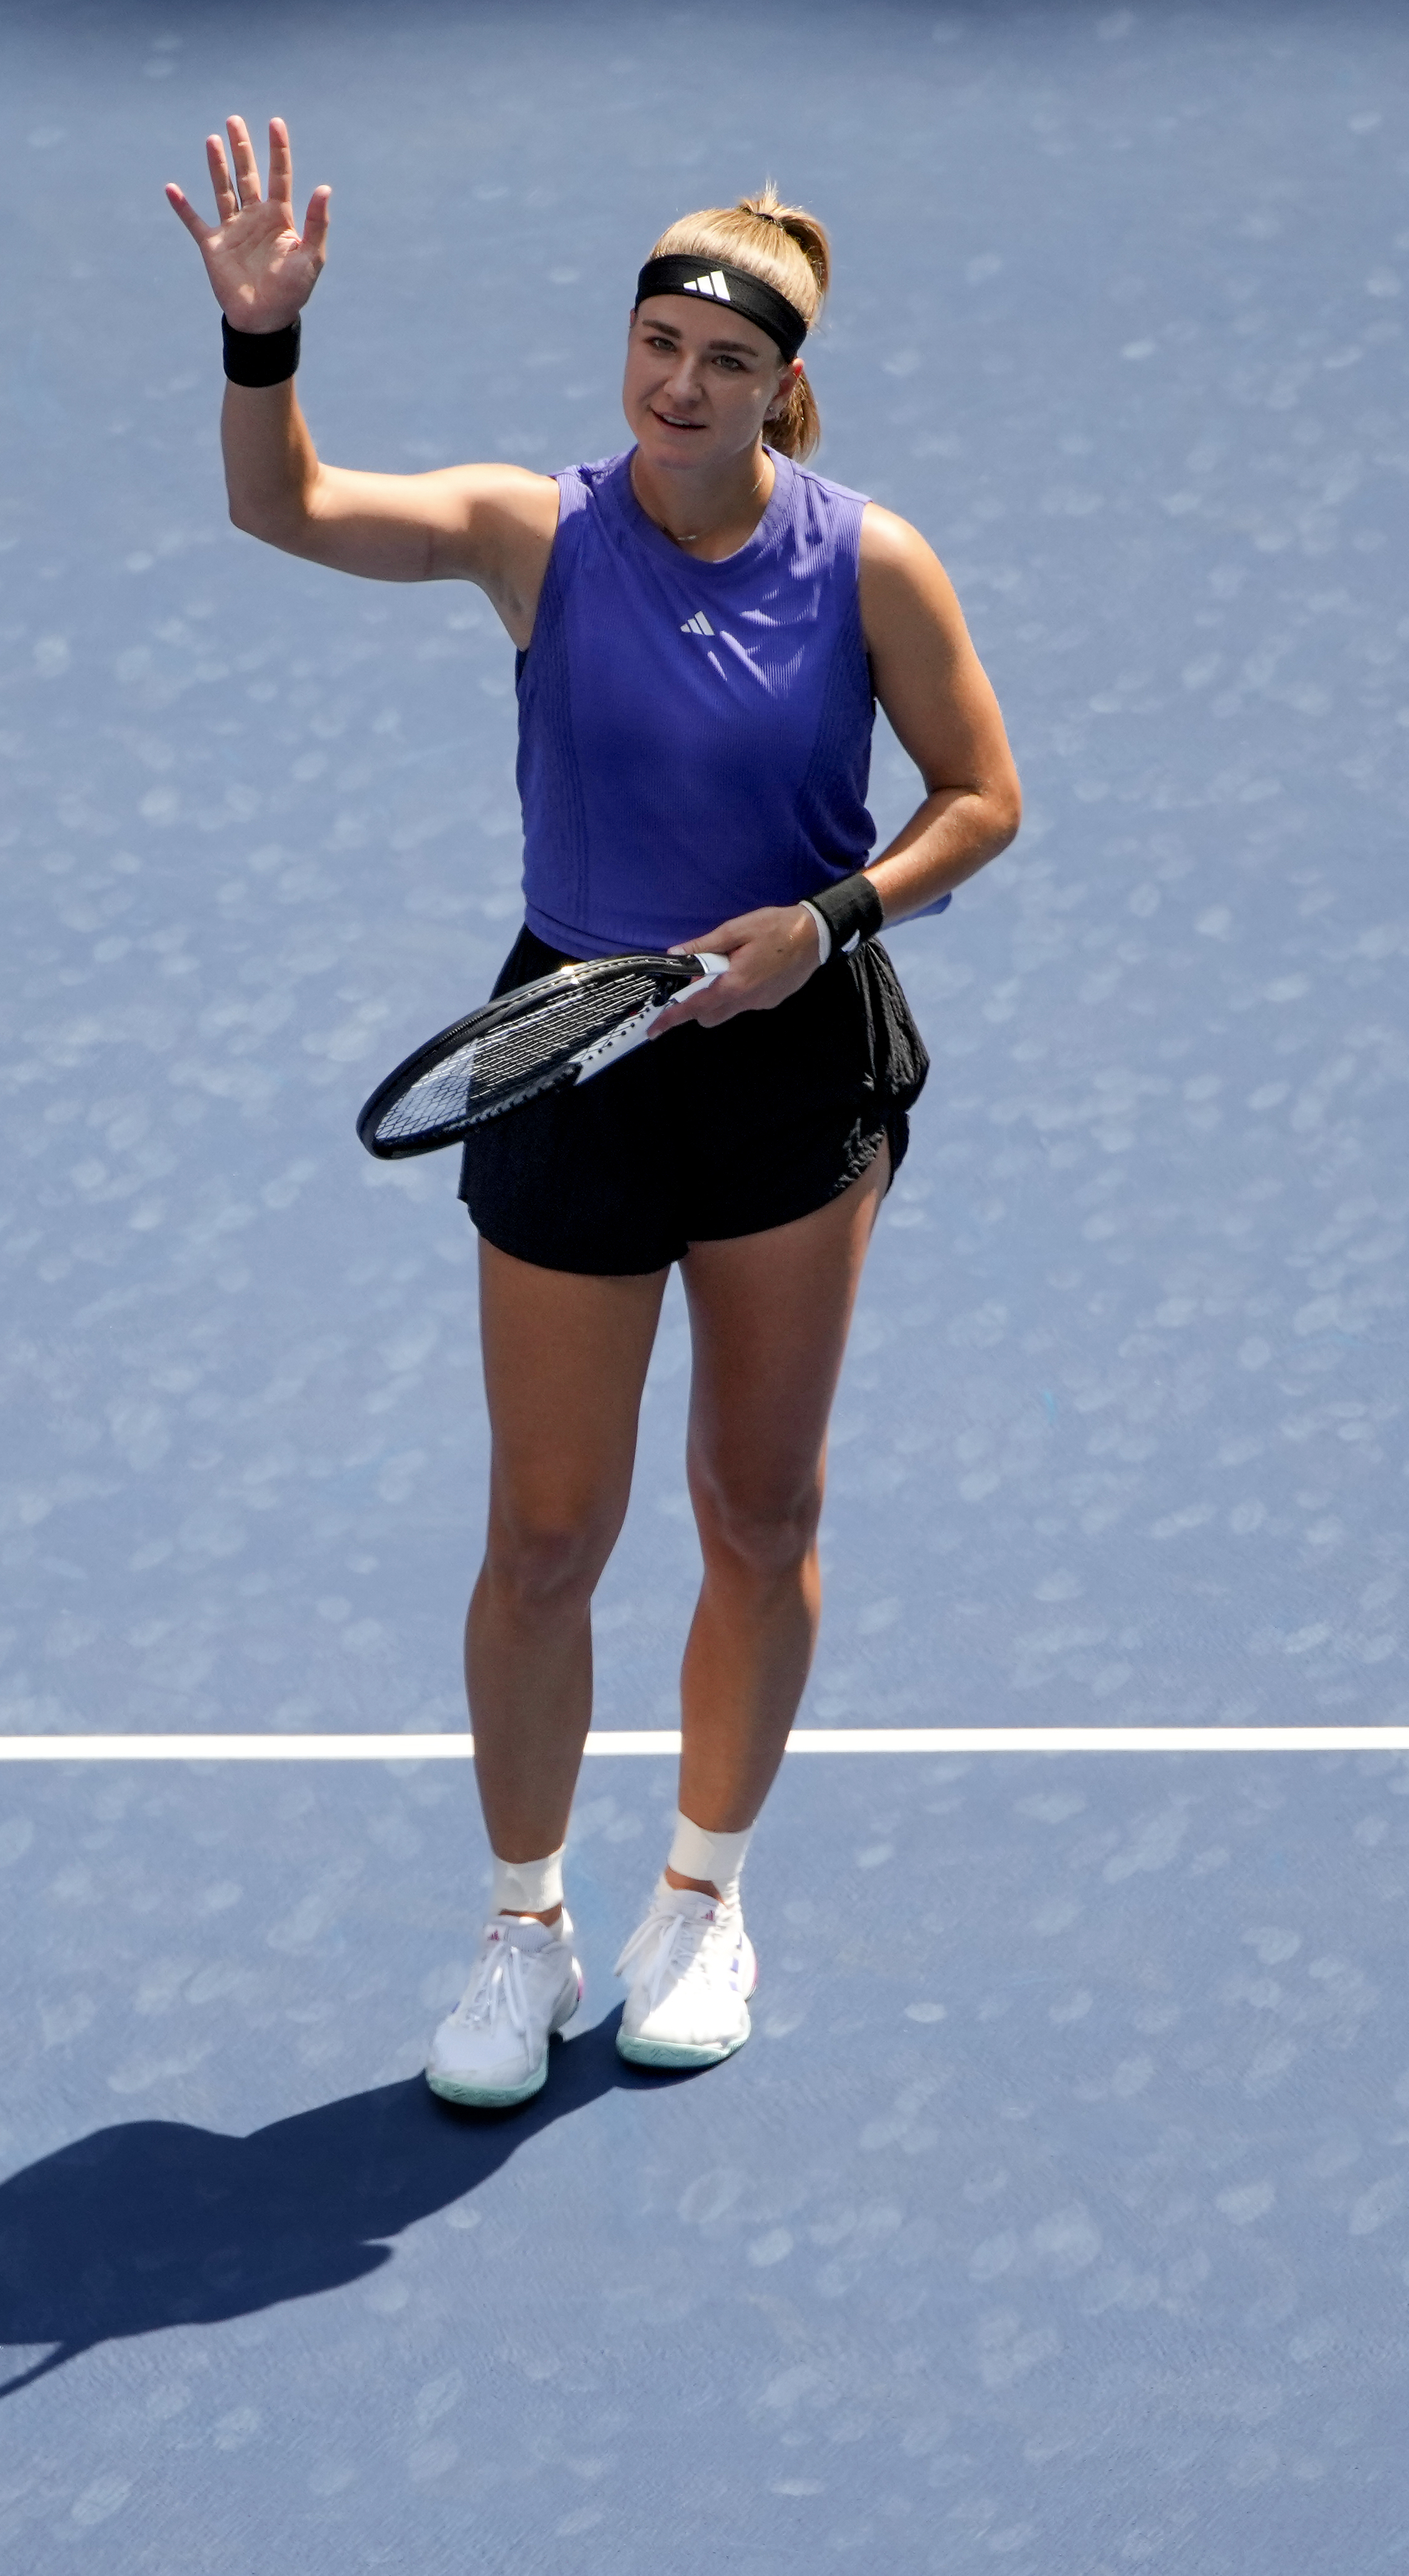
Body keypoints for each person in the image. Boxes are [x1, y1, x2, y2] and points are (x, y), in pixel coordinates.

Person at [163, 118, 1023, 2108]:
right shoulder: (529, 531)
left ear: (779, 388)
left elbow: (981, 799)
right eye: (653, 343)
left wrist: (826, 924)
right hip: (572, 1050)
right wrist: (259, 343)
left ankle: (702, 1895)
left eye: (720, 362)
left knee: (760, 1506)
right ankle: (523, 1928)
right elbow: (279, 508)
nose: (676, 383)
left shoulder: (865, 559)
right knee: (546, 1534)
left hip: (792, 1058)